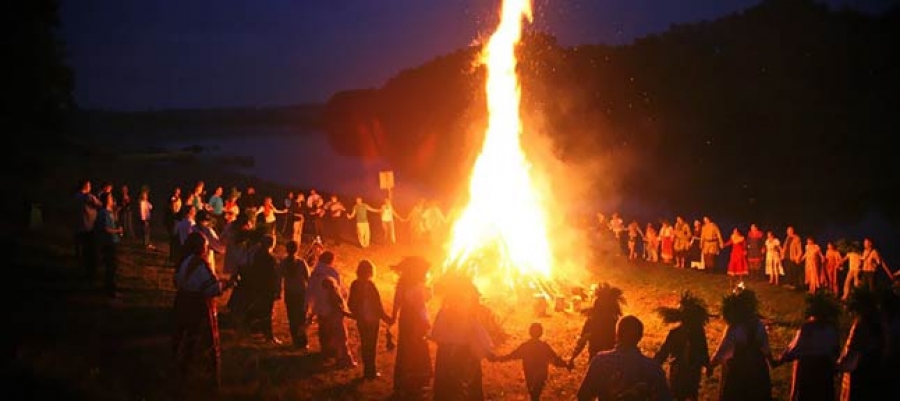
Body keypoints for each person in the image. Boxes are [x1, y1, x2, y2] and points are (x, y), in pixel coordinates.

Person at [172, 232, 235, 396]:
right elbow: (211, 289)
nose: (207, 249)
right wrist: (226, 285)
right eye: (206, 246)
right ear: (201, 247)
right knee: (205, 342)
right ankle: (208, 382)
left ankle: (182, 372)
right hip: (198, 307)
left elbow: (179, 281)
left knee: (187, 339)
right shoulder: (200, 264)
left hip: (183, 303)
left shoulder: (185, 261)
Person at [576, 315, 672, 401]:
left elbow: (583, 396)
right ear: (640, 337)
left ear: (617, 335)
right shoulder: (652, 367)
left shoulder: (600, 361)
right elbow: (665, 397)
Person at [431, 275, 494, 400]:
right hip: (464, 354)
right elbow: (480, 337)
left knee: (448, 386)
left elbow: (436, 335)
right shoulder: (468, 317)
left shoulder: (443, 314)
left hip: (446, 354)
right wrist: (487, 352)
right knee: (465, 386)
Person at [708, 288, 774, 400]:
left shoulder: (734, 329)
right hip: (757, 371)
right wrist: (771, 361)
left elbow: (723, 350)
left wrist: (712, 365)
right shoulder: (759, 326)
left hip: (738, 373)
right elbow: (765, 347)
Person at [776, 290, 841, 401]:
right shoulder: (832, 328)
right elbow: (835, 350)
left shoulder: (807, 328)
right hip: (825, 371)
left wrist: (781, 359)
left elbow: (795, 349)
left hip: (809, 370)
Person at [490, 322, 571, 401]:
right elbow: (555, 360)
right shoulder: (544, 347)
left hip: (529, 374)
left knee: (533, 394)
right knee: (536, 394)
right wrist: (566, 365)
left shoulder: (525, 346)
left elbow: (511, 356)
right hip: (541, 374)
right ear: (541, 333)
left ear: (530, 332)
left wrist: (498, 359)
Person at [654, 291, 711, 401]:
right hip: (691, 372)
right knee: (691, 394)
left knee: (679, 395)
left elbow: (664, 351)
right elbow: (703, 350)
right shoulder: (698, 333)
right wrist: (707, 365)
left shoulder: (676, 333)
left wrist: (655, 363)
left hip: (679, 372)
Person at [389, 256, 433, 399]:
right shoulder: (414, 287)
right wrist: (426, 322)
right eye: (424, 272)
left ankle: (403, 383)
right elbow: (420, 307)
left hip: (406, 320)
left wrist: (394, 317)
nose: (426, 274)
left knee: (405, 350)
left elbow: (397, 302)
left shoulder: (404, 284)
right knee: (416, 350)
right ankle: (414, 385)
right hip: (414, 321)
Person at [347, 259, 392, 379]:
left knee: (365, 344)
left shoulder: (355, 284)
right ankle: (370, 371)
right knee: (371, 345)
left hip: (362, 319)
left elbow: (350, 303)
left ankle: (368, 370)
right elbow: (377, 305)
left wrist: (356, 313)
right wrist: (386, 318)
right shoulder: (371, 286)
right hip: (372, 320)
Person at [569, 283, 625, 366]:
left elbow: (582, 340)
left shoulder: (592, 321)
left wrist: (572, 358)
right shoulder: (615, 321)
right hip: (612, 362)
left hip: (596, 362)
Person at [320, 276, 356, 368]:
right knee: (343, 340)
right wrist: (352, 316)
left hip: (332, 321)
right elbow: (340, 310)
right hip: (337, 321)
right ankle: (347, 361)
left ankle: (340, 360)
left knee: (338, 342)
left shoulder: (325, 297)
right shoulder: (333, 296)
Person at [280, 240, 309, 350]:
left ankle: (295, 341)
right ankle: (303, 341)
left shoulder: (283, 263)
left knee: (292, 317)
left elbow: (278, 278)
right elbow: (308, 278)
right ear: (297, 249)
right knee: (301, 317)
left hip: (290, 293)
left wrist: (278, 292)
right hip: (301, 293)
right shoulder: (301, 263)